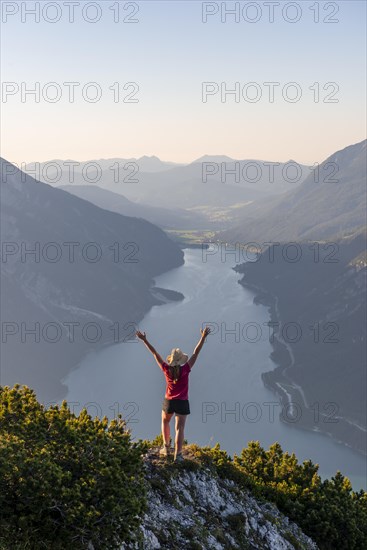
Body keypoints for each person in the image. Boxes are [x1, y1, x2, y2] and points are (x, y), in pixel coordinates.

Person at [136, 326, 211, 462]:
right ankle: (178, 454)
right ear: (181, 360)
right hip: (182, 402)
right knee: (180, 428)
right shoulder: (186, 369)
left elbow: (155, 354)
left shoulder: (166, 369)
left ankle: (166, 448)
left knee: (165, 421)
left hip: (169, 401)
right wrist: (203, 337)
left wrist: (144, 340)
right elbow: (196, 353)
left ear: (171, 360)